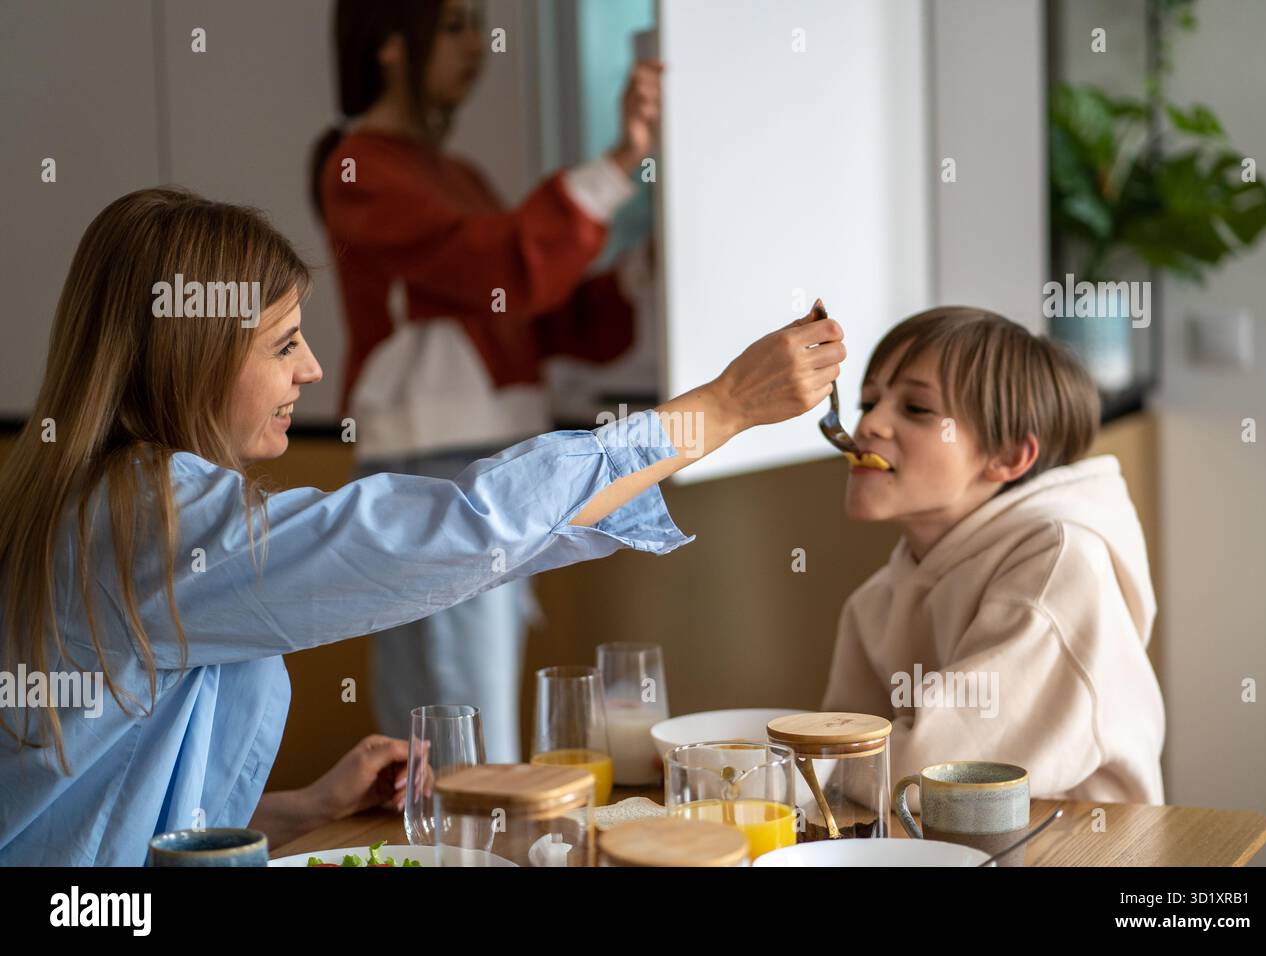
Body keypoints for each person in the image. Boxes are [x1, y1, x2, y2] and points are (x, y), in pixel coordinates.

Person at [0, 187, 845, 864]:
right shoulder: (144, 523)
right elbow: (458, 532)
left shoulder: (115, 500)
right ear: (193, 354)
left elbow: (119, 806)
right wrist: (720, 409)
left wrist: (307, 807)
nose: (314, 369)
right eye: (284, 344)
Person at [310, 0, 665, 758]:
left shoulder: (457, 175)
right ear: (390, 46)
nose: (479, 44)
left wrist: (645, 266)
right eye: (454, 25)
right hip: (433, 465)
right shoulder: (357, 167)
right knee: (459, 732)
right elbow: (503, 267)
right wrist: (618, 162)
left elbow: (544, 318)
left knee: (469, 722)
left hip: (489, 458)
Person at [821, 307, 1165, 804]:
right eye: (868, 401)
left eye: (916, 409)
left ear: (1008, 456)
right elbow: (834, 758)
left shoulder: (1058, 570)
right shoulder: (874, 601)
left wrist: (809, 762)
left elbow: (930, 775)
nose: (868, 426)